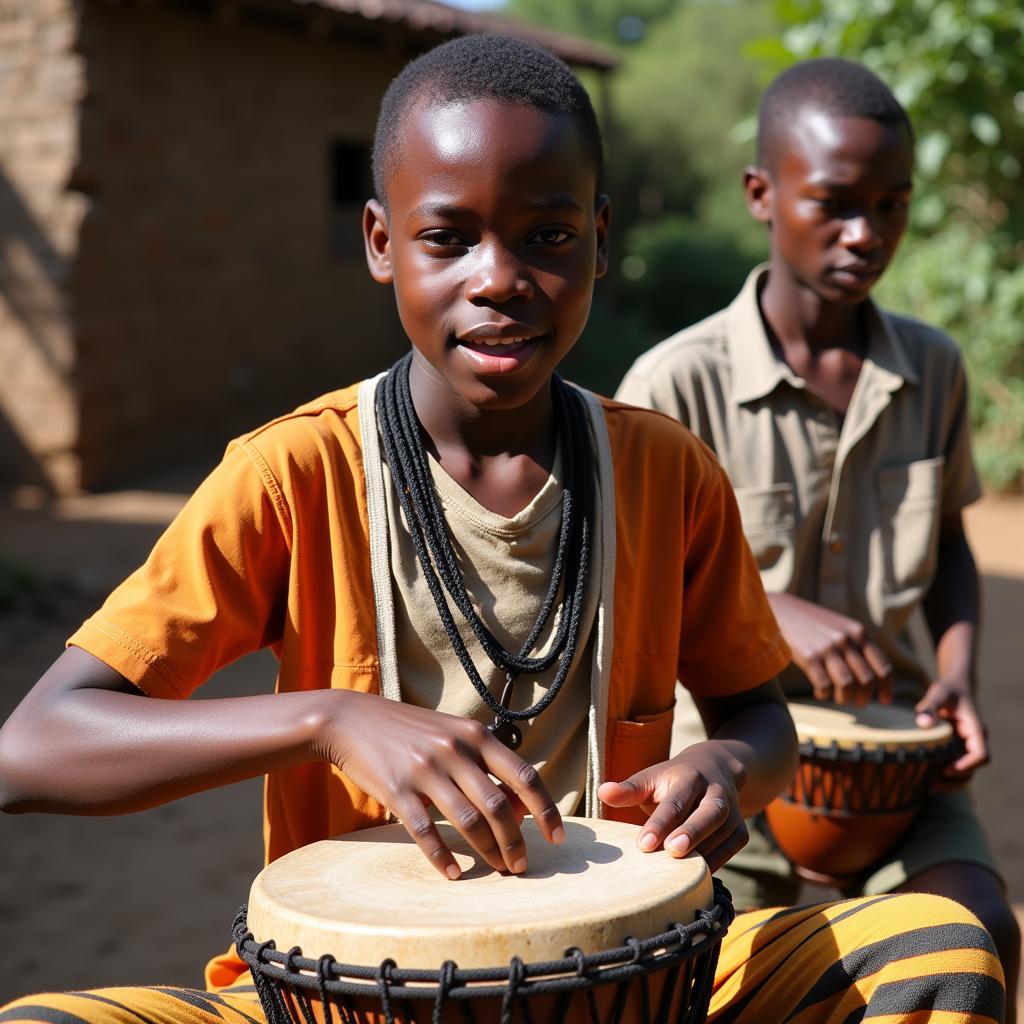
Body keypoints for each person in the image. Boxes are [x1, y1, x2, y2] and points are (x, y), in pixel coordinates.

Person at [0, 38, 1005, 1024]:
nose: (499, 277)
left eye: (547, 235)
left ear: (601, 240)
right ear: (380, 241)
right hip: (344, 995)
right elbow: (33, 750)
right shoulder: (292, 474)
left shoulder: (662, 471)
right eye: (448, 237)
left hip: (630, 972)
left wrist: (726, 769)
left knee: (943, 951)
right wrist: (328, 719)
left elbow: (758, 717)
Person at [617, 55, 1018, 1019]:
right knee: (712, 975)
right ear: (762, 192)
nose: (865, 232)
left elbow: (952, 549)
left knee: (980, 939)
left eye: (892, 205)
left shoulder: (933, 366)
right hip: (723, 759)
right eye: (836, 202)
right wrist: (771, 614)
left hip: (896, 755)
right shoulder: (675, 386)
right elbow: (620, 590)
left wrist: (955, 673)